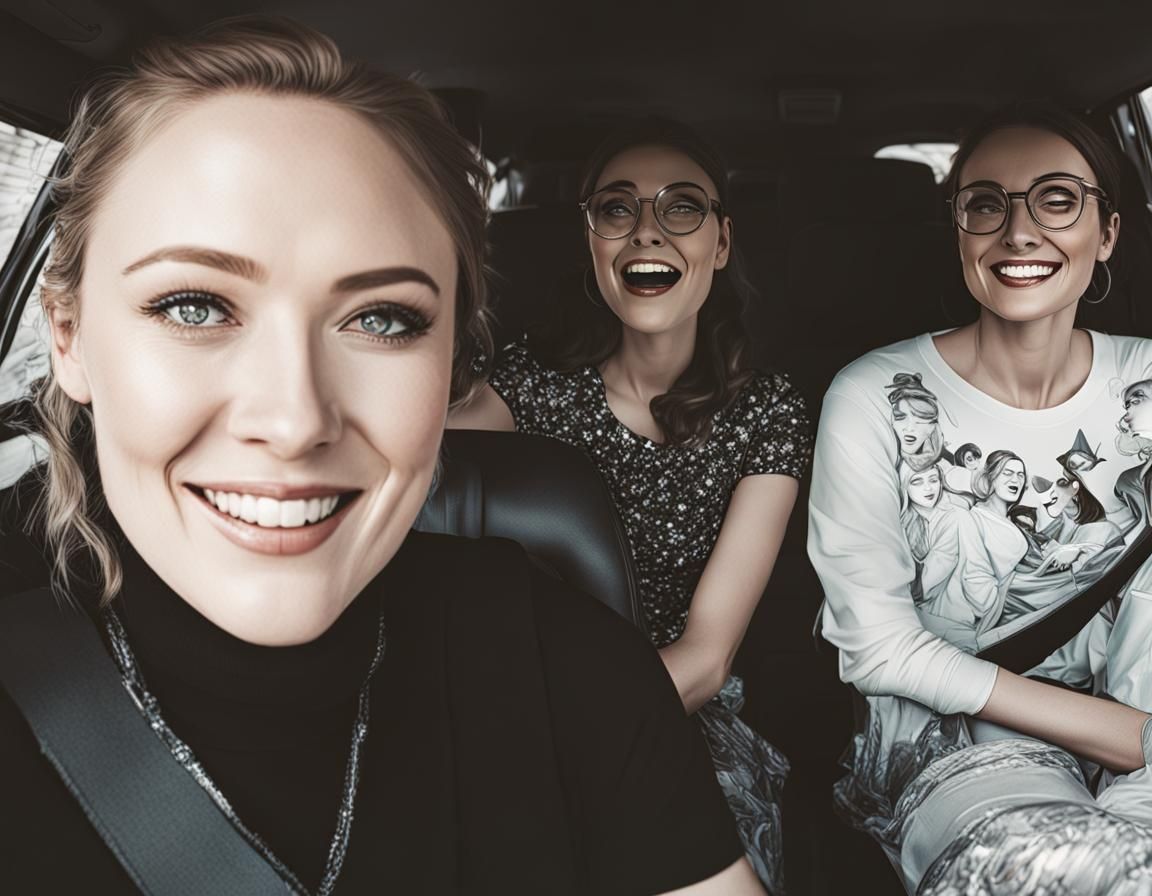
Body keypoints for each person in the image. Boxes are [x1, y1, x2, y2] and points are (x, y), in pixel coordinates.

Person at [0, 19, 763, 894]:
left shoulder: (576, 676)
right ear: (68, 338)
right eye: (194, 306)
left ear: (448, 366)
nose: (294, 420)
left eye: (382, 320)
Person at [451, 120, 812, 893]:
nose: (646, 229)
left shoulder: (767, 411)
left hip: (680, 714)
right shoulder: (527, 385)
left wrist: (563, 746)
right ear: (591, 240)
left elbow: (708, 658)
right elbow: (410, 452)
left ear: (720, 241)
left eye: (681, 207)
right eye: (617, 209)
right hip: (517, 708)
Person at [808, 102, 1152, 895]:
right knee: (1083, 875)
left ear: (1107, 233)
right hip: (959, 750)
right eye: (986, 203)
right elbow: (878, 647)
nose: (1019, 231)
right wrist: (1124, 734)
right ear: (959, 231)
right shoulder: (873, 397)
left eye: (1058, 198)